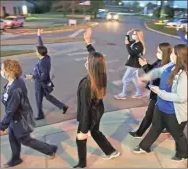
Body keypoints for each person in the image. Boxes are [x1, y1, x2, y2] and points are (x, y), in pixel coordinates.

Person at [73, 28, 120, 168]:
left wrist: (83, 129)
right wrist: (88, 42)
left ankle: (82, 164)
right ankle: (111, 151)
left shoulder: (87, 85)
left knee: (80, 139)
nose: (86, 60)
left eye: (88, 60)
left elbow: (85, 109)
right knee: (95, 131)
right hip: (98, 110)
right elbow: (94, 55)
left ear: (91, 65)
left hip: (90, 115)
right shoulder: (100, 74)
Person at [133, 44, 188, 162]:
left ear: (179, 56)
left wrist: (160, 92)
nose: (171, 55)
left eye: (173, 53)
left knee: (177, 134)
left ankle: (183, 154)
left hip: (173, 111)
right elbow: (157, 72)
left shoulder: (184, 75)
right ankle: (144, 147)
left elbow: (181, 97)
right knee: (156, 127)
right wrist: (145, 77)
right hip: (161, 106)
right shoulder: (170, 66)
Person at [0, 59, 58, 168]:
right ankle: (16, 159)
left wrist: (2, 126)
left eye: (2, 69)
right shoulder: (15, 81)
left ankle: (50, 149)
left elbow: (10, 110)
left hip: (20, 120)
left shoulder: (15, 88)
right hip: (15, 119)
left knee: (26, 140)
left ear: (9, 71)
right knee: (12, 138)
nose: (1, 71)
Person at [129, 42, 172, 138]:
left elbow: (155, 77)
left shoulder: (167, 66)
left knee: (149, 115)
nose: (157, 53)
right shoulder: (159, 62)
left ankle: (139, 133)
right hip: (156, 92)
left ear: (165, 53)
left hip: (159, 94)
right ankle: (168, 128)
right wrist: (145, 64)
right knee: (161, 115)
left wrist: (145, 66)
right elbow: (152, 70)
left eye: (159, 51)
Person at [26, 29, 68, 120]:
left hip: (40, 83)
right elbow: (41, 46)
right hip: (42, 83)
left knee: (38, 99)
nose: (36, 52)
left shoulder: (42, 63)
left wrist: (33, 77)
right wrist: (39, 36)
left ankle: (40, 115)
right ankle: (62, 106)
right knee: (48, 97)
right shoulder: (46, 57)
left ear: (40, 53)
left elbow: (44, 75)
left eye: (36, 51)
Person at [115, 29, 146, 99]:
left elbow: (131, 52)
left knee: (125, 79)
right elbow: (127, 42)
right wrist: (127, 34)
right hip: (132, 63)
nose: (133, 35)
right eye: (133, 34)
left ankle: (123, 94)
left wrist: (128, 45)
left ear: (138, 36)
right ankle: (139, 93)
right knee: (134, 79)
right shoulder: (134, 42)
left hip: (134, 64)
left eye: (135, 34)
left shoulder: (139, 45)